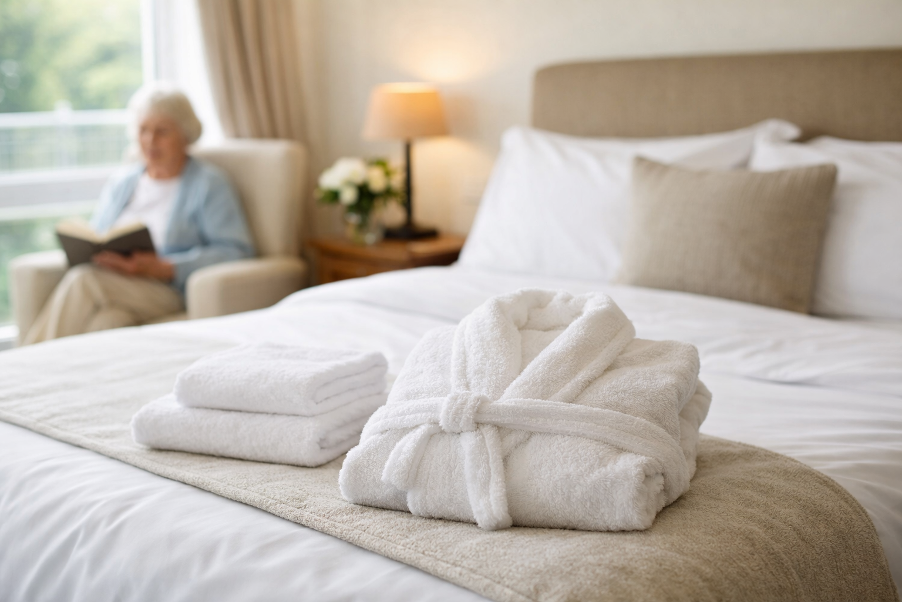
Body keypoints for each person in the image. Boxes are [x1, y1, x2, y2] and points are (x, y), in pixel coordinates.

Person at [24, 83, 255, 344]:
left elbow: (237, 251)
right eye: (143, 130)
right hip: (116, 284)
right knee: (108, 322)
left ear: (185, 134)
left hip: (165, 289)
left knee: (83, 280)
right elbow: (98, 233)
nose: (150, 140)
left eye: (162, 131)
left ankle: (23, 362)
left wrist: (165, 267)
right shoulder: (123, 182)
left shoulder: (208, 184)